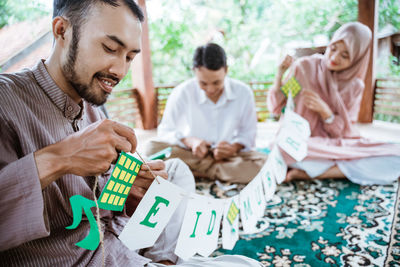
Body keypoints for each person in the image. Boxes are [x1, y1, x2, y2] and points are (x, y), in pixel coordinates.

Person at [0, 1, 262, 266]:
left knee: (174, 171)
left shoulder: (90, 103)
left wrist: (131, 192)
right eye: (110, 48)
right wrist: (58, 158)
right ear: (61, 30)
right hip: (83, 257)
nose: (120, 71)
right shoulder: (5, 100)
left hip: (119, 238)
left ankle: (165, 261)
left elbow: (102, 203)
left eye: (129, 57)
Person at [268, 22, 400, 185]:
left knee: (396, 156)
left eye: (345, 56)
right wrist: (279, 75)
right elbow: (278, 106)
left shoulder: (355, 87)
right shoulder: (304, 68)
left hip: (332, 144)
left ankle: (312, 173)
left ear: (357, 58)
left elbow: (344, 132)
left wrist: (326, 112)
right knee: (280, 146)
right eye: (333, 48)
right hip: (303, 143)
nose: (334, 57)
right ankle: (326, 168)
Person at [145, 43, 267, 184]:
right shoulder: (182, 92)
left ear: (226, 70)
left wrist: (233, 148)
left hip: (227, 157)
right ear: (194, 71)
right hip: (191, 153)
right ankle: (216, 172)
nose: (210, 89)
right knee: (152, 149)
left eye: (216, 82)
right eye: (203, 83)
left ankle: (195, 172)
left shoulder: (243, 92)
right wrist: (190, 141)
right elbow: (165, 131)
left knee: (264, 163)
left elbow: (248, 134)